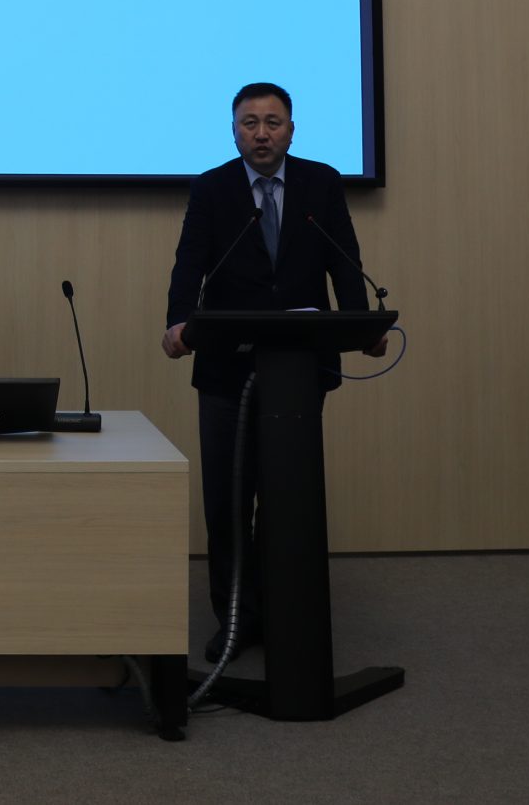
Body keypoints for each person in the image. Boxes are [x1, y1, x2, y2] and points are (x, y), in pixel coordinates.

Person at [161, 82, 380, 662]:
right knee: (229, 501)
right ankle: (236, 620)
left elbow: (343, 260)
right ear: (234, 132)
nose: (261, 133)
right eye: (250, 123)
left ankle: (287, 616)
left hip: (299, 368)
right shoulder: (212, 188)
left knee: (286, 496)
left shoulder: (321, 183)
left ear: (291, 130)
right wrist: (178, 322)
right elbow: (190, 263)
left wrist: (359, 325)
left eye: (273, 122)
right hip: (226, 369)